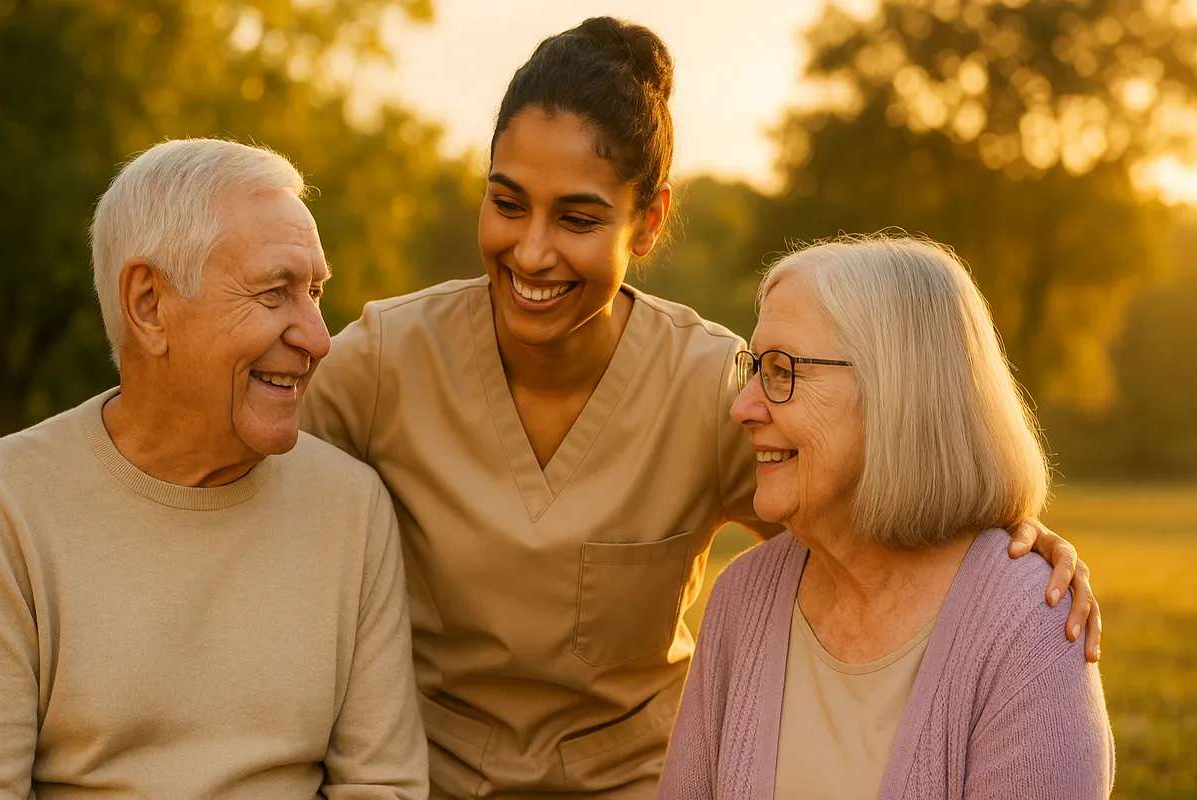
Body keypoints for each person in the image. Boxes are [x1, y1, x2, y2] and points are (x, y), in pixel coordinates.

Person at [301, 18, 1100, 798]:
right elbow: (242, 475)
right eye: (508, 204)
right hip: (427, 779)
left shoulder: (718, 384)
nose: (532, 251)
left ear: (647, 222)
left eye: (578, 218)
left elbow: (867, 522)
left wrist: (1005, 555)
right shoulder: (383, 360)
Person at [0, 139, 428, 798]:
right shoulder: (12, 505)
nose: (318, 337)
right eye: (275, 291)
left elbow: (383, 788)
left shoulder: (352, 508)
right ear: (149, 305)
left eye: (314, 292)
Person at [658, 235, 1115, 799]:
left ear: (895, 392)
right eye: (753, 368)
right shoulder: (742, 599)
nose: (743, 407)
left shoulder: (1030, 625)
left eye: (781, 370)